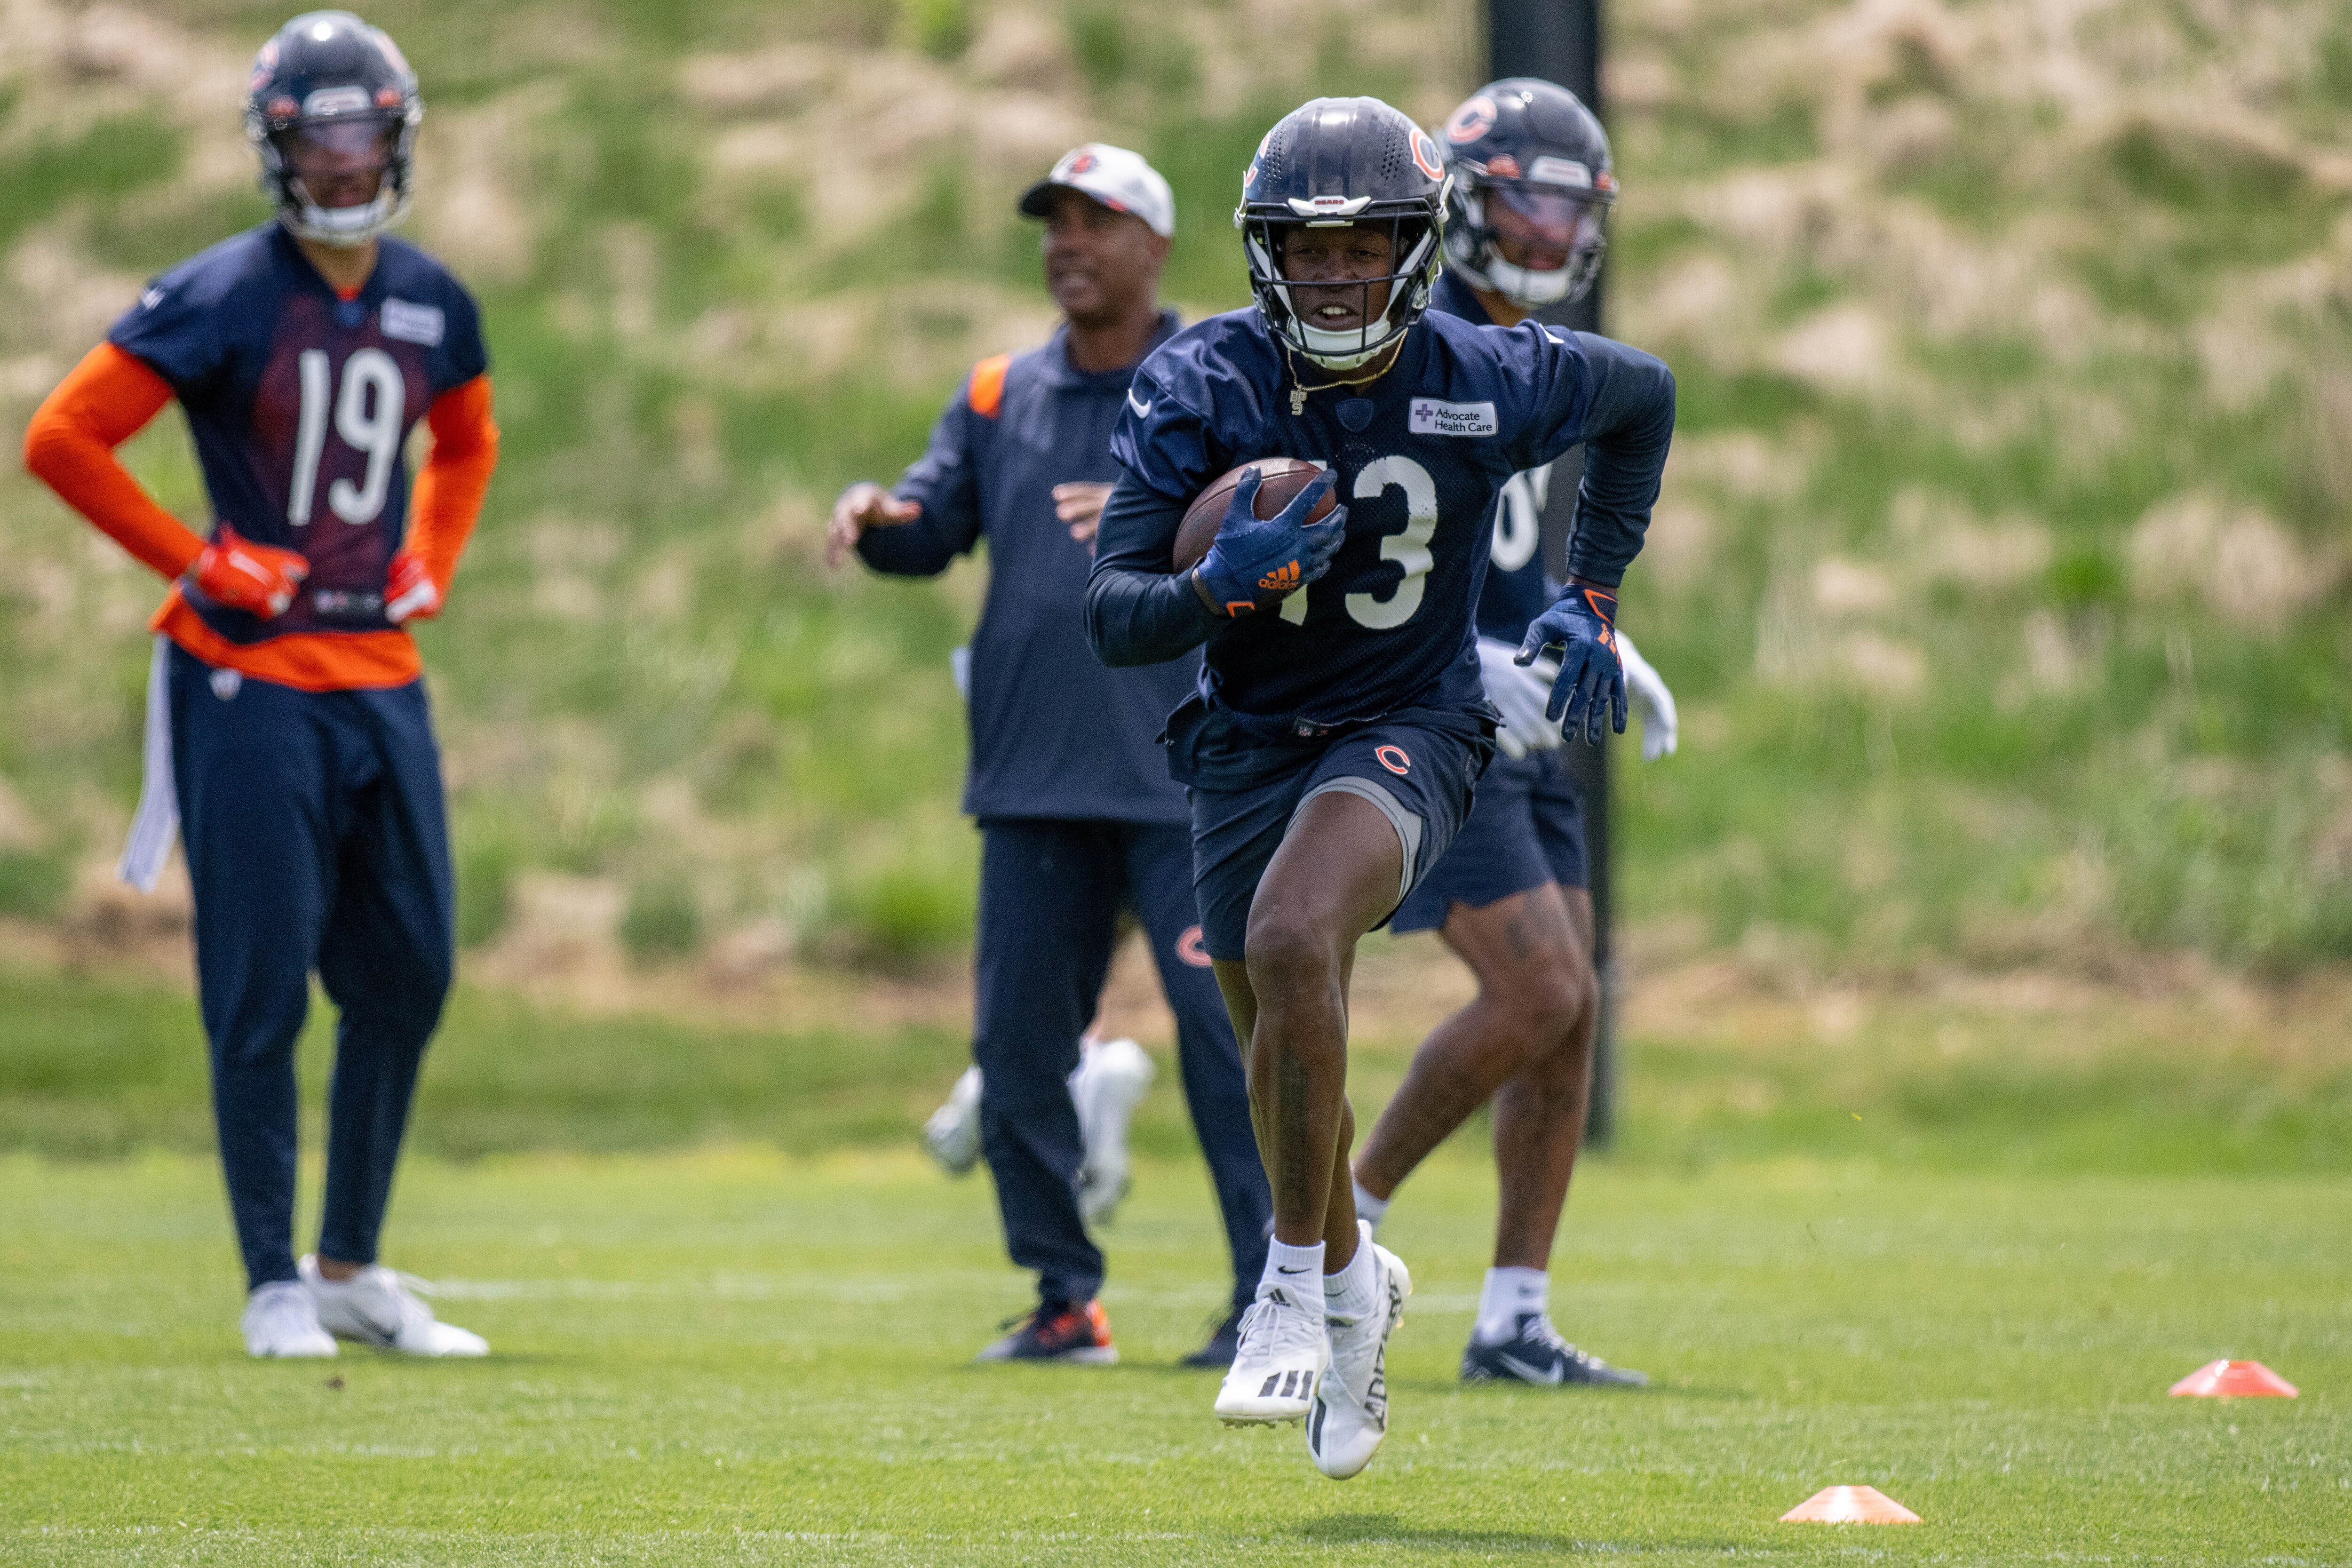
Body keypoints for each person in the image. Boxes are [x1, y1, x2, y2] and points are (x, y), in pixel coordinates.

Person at [1085, 96, 1674, 1479]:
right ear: (1262, 253)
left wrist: (1592, 599)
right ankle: (1358, 1293)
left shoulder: (1484, 367)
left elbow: (1643, 395)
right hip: (1246, 737)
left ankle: (1286, 1283)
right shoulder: (1201, 382)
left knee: (1303, 936)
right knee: (1276, 1053)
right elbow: (1110, 608)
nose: (1337, 273)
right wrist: (1204, 588)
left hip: (1412, 721)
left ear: (1421, 246)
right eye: (1306, 247)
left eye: (1370, 246)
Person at [21, 10, 496, 1358]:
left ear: (400, 136)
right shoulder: (225, 291)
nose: (349, 162)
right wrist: (197, 557)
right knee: (262, 982)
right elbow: (64, 437)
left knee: (408, 972)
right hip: (249, 682)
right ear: (278, 149)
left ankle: (346, 1264)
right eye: (321, 137)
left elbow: (465, 439)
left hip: (380, 670)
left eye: (367, 134)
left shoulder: (430, 296)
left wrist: (434, 558)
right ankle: (268, 1278)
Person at [826, 144, 1274, 1368]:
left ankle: (1265, 1301)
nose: (1068, 242)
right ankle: (1064, 1299)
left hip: (1189, 771)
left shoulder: (1219, 380)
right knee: (1017, 1054)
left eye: (1098, 220)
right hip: (1032, 781)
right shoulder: (994, 395)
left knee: (1229, 1040)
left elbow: (1287, 516)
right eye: (1055, 222)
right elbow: (931, 532)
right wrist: (876, 522)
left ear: (1156, 245)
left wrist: (1182, 526)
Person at [1351, 78, 1677, 1389]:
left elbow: (1505, 548)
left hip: (1525, 707)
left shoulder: (1526, 352)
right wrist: (1471, 660)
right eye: (1527, 202)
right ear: (1467, 206)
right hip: (1439, 714)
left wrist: (1587, 628)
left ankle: (1514, 1318)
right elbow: (1378, 546)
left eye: (1567, 208)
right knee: (1538, 987)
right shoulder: (1420, 344)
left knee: (1574, 1009)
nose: (1549, 233)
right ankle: (1341, 1234)